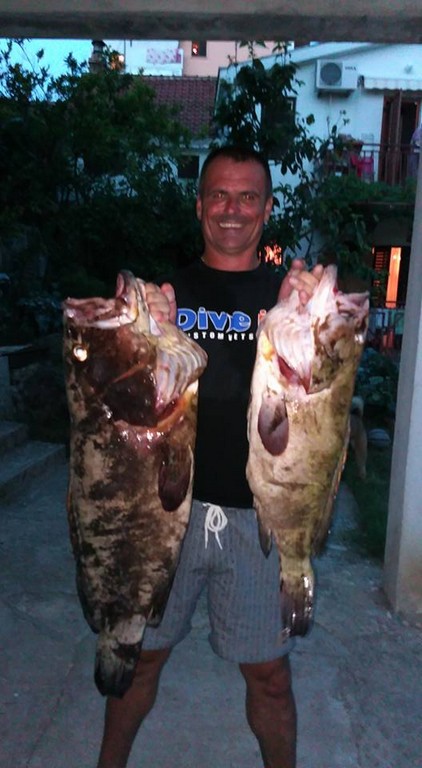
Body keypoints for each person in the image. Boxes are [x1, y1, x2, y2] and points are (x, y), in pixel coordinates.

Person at [96, 145, 323, 768]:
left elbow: (320, 390)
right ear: (199, 206)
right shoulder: (165, 295)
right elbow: (118, 398)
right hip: (166, 511)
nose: (232, 209)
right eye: (219, 194)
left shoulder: (286, 302)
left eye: (248, 197)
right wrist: (136, 328)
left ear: (267, 209)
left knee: (269, 676)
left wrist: (310, 312)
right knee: (141, 658)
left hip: (260, 517)